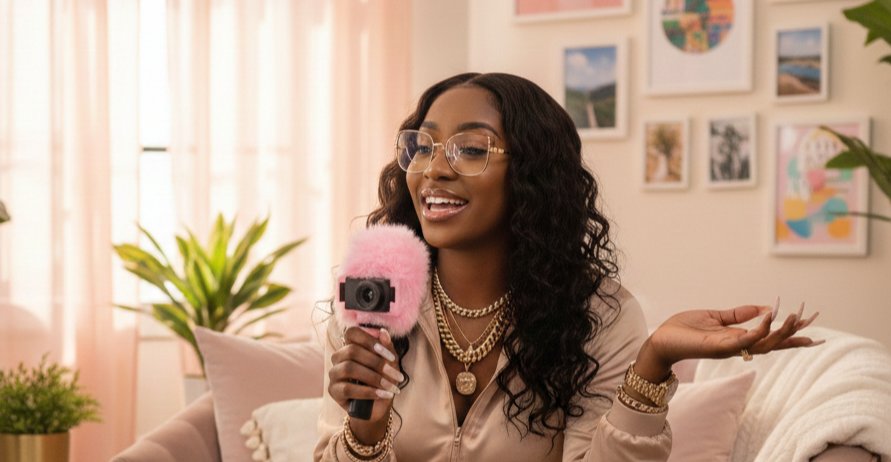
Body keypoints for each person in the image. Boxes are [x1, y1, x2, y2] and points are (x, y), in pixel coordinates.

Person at [314, 73, 822, 461]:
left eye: (470, 149)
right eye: (422, 146)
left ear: (532, 173)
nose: (435, 169)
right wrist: (365, 434)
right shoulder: (373, 301)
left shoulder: (597, 316)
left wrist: (653, 362)